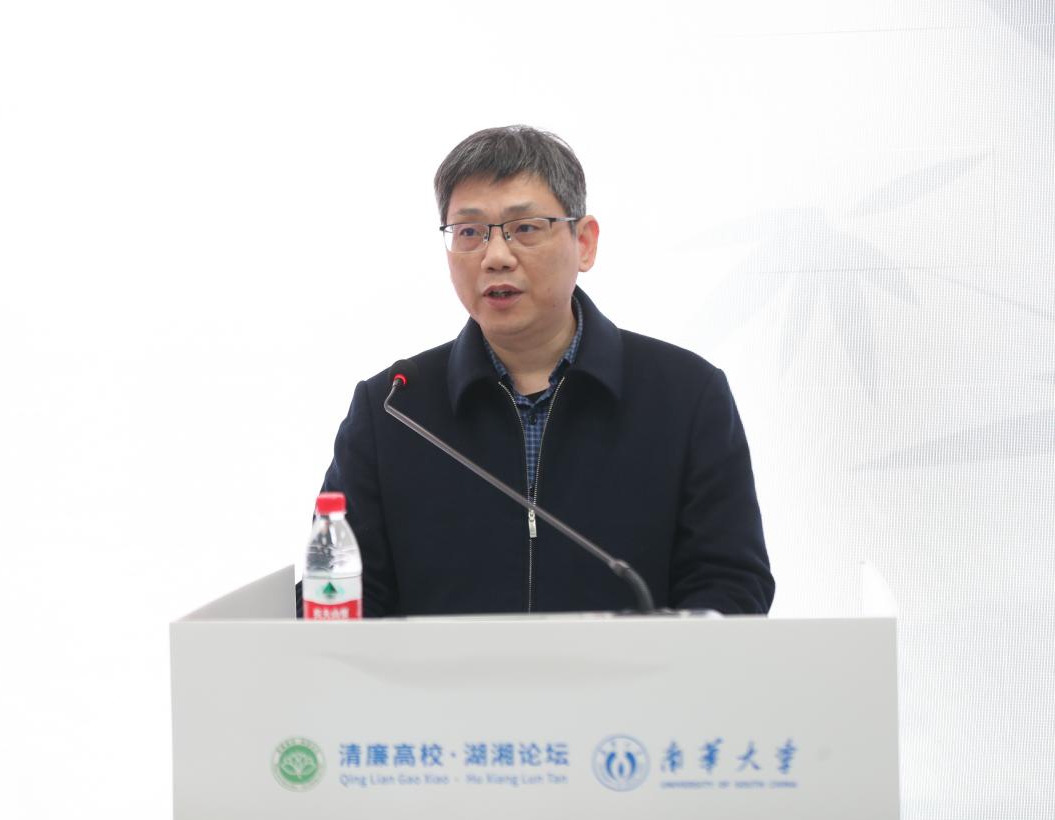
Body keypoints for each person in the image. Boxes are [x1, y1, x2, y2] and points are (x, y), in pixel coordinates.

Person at [316, 125, 774, 616]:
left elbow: (731, 587)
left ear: (585, 242)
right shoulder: (394, 408)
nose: (495, 257)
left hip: (631, 669)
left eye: (526, 228)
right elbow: (335, 596)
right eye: (469, 232)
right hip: (440, 671)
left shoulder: (687, 396)